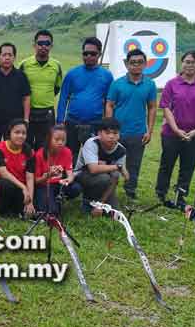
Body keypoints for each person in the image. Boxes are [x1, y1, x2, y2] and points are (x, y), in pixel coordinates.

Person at [155, 50, 195, 202]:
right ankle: (161, 192)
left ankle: (181, 194)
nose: (190, 65)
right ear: (182, 63)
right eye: (187, 62)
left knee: (188, 166)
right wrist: (176, 129)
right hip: (171, 133)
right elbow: (165, 107)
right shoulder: (172, 84)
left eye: (193, 62)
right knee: (167, 163)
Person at [105, 49, 157, 201]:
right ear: (127, 64)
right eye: (133, 62)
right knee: (111, 163)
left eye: (140, 62)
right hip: (117, 133)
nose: (136, 66)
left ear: (145, 64)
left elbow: (152, 107)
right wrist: (110, 129)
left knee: (134, 164)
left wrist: (150, 131)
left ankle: (130, 191)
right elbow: (109, 105)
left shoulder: (150, 84)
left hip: (138, 132)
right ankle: (108, 191)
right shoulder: (117, 84)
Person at [57, 37, 114, 166]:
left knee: (93, 157)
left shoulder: (107, 76)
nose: (88, 56)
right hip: (72, 123)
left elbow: (109, 102)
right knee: (69, 156)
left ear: (99, 54)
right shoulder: (72, 74)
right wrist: (60, 121)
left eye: (93, 54)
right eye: (85, 53)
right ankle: (68, 184)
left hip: (95, 123)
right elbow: (63, 98)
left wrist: (107, 124)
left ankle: (90, 183)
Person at [0, 42, 31, 184]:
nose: (7, 58)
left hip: (14, 123)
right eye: (4, 55)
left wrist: (26, 119)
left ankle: (14, 179)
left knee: (15, 153)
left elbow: (26, 98)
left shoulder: (21, 76)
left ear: (14, 57)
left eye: (10, 55)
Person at [74, 118, 129, 216]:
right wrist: (118, 166)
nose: (111, 136)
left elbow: (116, 179)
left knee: (115, 213)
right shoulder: (91, 143)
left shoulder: (121, 150)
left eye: (115, 133)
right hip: (82, 175)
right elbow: (93, 169)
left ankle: (98, 203)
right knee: (104, 178)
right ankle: (87, 200)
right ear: (99, 133)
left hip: (107, 181)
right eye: (107, 133)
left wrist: (101, 204)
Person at [19, 29, 63, 150]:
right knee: (25, 146)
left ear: (51, 46)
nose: (43, 46)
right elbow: (19, 87)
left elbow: (57, 88)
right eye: (40, 43)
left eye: (47, 43)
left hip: (47, 113)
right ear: (34, 45)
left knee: (44, 147)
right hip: (28, 112)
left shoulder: (56, 65)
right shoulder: (24, 64)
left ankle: (42, 170)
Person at [0, 119, 35, 218]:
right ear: (9, 133)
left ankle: (17, 209)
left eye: (23, 133)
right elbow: (3, 173)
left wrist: (30, 201)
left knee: (19, 210)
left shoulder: (28, 151)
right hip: (4, 183)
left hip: (21, 186)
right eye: (17, 132)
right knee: (6, 185)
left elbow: (30, 177)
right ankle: (2, 210)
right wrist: (24, 187)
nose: (20, 136)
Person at [33, 125, 81, 214]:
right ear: (49, 140)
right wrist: (49, 175)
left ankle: (57, 199)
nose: (60, 143)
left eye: (63, 140)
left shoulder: (67, 152)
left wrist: (68, 180)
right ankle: (46, 202)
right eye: (57, 139)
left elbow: (70, 173)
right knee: (53, 212)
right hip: (44, 185)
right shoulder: (40, 154)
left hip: (59, 184)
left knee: (76, 188)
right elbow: (36, 181)